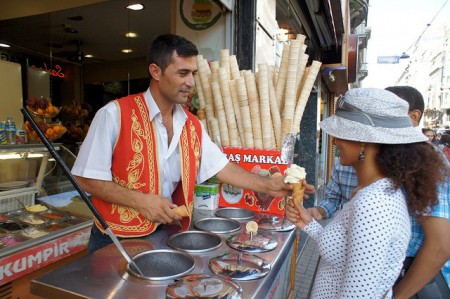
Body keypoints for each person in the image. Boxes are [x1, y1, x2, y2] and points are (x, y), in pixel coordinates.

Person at [71, 34, 296, 253]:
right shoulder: (114, 114)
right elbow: (86, 178)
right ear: (155, 72)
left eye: (193, 73)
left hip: (165, 233)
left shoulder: (191, 124)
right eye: (182, 73)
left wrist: (269, 186)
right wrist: (140, 201)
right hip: (113, 239)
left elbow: (222, 168)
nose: (191, 83)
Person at [286, 88, 448, 298]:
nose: (335, 142)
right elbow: (346, 253)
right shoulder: (377, 191)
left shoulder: (374, 205)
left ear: (363, 140)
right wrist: (308, 223)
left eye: (341, 133)